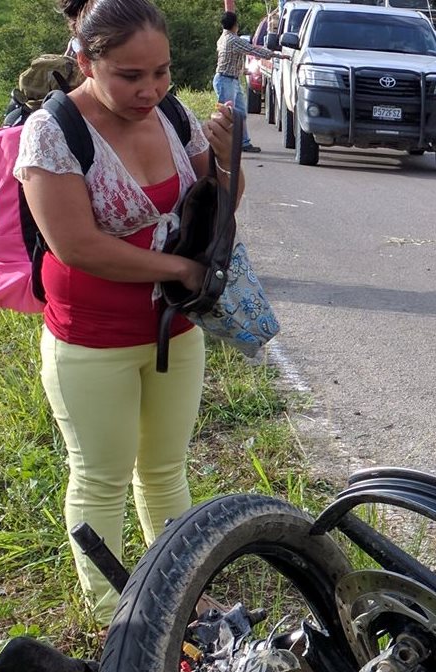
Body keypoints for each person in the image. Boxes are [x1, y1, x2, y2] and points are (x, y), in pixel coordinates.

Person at [14, 0, 238, 628]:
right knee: (100, 475)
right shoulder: (53, 133)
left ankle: (180, 599)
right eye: (131, 77)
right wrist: (180, 272)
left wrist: (225, 160)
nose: (151, 90)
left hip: (172, 327)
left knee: (166, 468)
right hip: (90, 335)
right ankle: (119, 617)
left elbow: (216, 211)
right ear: (85, 61)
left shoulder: (172, 114)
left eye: (162, 72)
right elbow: (77, 246)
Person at [214, 9, 280, 153]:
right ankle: (221, 145)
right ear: (235, 25)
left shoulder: (223, 38)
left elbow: (227, 59)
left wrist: (242, 71)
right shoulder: (233, 40)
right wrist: (276, 55)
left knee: (240, 114)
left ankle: (243, 143)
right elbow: (253, 50)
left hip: (231, 80)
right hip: (226, 81)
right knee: (227, 115)